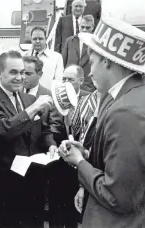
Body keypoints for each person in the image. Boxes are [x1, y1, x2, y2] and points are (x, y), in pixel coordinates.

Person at [58, 16, 145, 228]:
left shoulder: (125, 111)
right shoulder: (132, 97)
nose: (90, 71)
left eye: (93, 62)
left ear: (106, 61)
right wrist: (89, 155)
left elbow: (117, 195)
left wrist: (80, 162)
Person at [0, 50, 58, 228]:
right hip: (5, 187)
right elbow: (3, 130)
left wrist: (51, 144)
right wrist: (33, 109)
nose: (19, 77)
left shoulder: (29, 99)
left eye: (22, 72)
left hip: (33, 182)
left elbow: (44, 130)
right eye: (13, 72)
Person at [62, 15, 96, 92]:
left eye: (88, 28)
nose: (84, 30)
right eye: (82, 27)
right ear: (79, 26)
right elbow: (63, 63)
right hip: (69, 86)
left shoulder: (96, 44)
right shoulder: (69, 41)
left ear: (93, 27)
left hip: (88, 87)